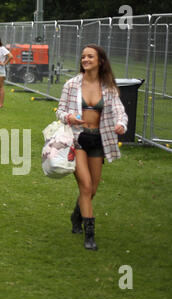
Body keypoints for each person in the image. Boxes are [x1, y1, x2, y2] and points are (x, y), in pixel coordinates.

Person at [56, 44, 128, 251]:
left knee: (93, 189)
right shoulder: (71, 85)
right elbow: (60, 111)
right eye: (83, 57)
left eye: (90, 56)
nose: (85, 59)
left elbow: (119, 111)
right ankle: (89, 235)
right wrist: (68, 116)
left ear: (100, 61)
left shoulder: (109, 87)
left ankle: (76, 215)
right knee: (86, 186)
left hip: (98, 140)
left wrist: (121, 124)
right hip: (77, 139)